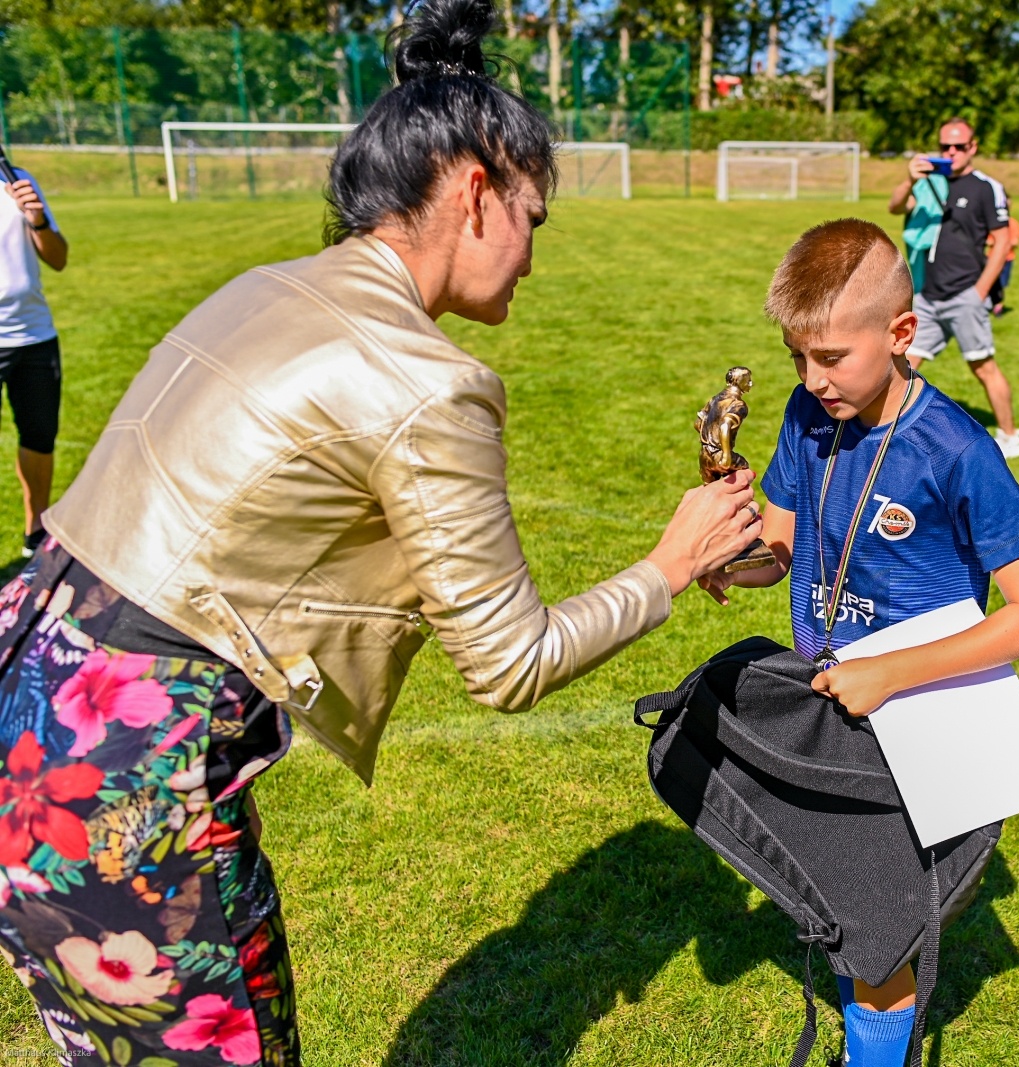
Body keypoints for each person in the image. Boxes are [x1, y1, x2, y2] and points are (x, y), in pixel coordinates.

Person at [0, 1, 761, 1062]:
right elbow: (508, 660)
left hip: (27, 698)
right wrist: (671, 563)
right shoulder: (426, 379)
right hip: (120, 780)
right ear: (475, 189)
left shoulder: (267, 286)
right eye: (534, 222)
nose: (533, 262)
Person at [702, 218, 1019, 1067]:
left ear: (902, 334)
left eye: (831, 358)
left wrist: (889, 671)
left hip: (919, 714)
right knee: (847, 901)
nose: (812, 378)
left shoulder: (957, 449)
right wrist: (732, 560)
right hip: (833, 695)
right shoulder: (805, 414)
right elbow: (783, 550)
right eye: (797, 358)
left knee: (879, 934)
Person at [888, 118, 1019, 459]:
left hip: (965, 294)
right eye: (945, 146)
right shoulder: (928, 182)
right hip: (927, 295)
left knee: (983, 367)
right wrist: (909, 179)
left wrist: (980, 290)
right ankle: (889, 433)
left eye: (959, 147)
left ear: (973, 147)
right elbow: (894, 207)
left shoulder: (985, 187)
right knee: (901, 364)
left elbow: (1003, 239)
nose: (951, 153)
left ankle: (1011, 437)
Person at [0, 161, 68, 558]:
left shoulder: (18, 178)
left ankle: (35, 532)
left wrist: (36, 218)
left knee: (40, 438)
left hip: (34, 334)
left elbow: (58, 259)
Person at [988, 196, 1019, 316]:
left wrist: (1002, 243)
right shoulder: (994, 222)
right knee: (990, 281)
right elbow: (989, 241)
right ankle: (990, 303)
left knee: (1002, 283)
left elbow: (1015, 242)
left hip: (1007, 259)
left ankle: (998, 306)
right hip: (992, 257)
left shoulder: (1013, 223)